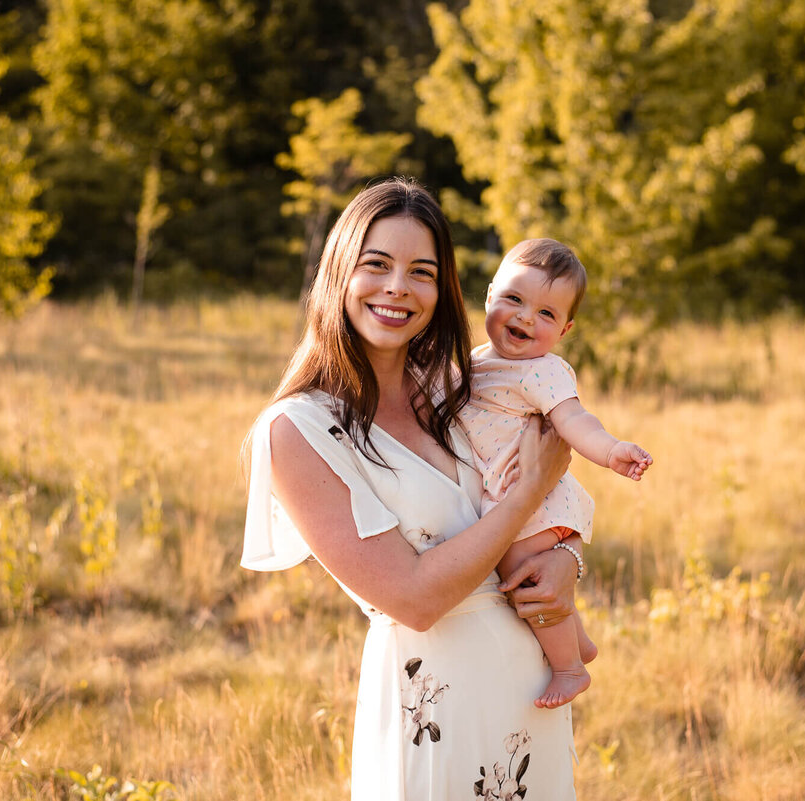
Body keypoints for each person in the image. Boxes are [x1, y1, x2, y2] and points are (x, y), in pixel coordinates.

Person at [242, 178, 584, 799]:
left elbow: (555, 486)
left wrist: (566, 559)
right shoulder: (300, 431)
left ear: (442, 289)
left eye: (421, 272)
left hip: (529, 700)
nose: (398, 287)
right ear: (340, 272)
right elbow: (414, 598)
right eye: (377, 264)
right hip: (432, 707)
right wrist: (525, 495)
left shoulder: (461, 389)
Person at [459, 238, 652, 709]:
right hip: (511, 494)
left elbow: (574, 421)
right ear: (489, 297)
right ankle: (578, 639)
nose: (526, 318)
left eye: (546, 314)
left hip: (535, 502)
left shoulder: (544, 372)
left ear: (564, 329)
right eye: (515, 300)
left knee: (527, 580)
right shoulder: (476, 362)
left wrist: (610, 452)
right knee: (531, 575)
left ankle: (569, 668)